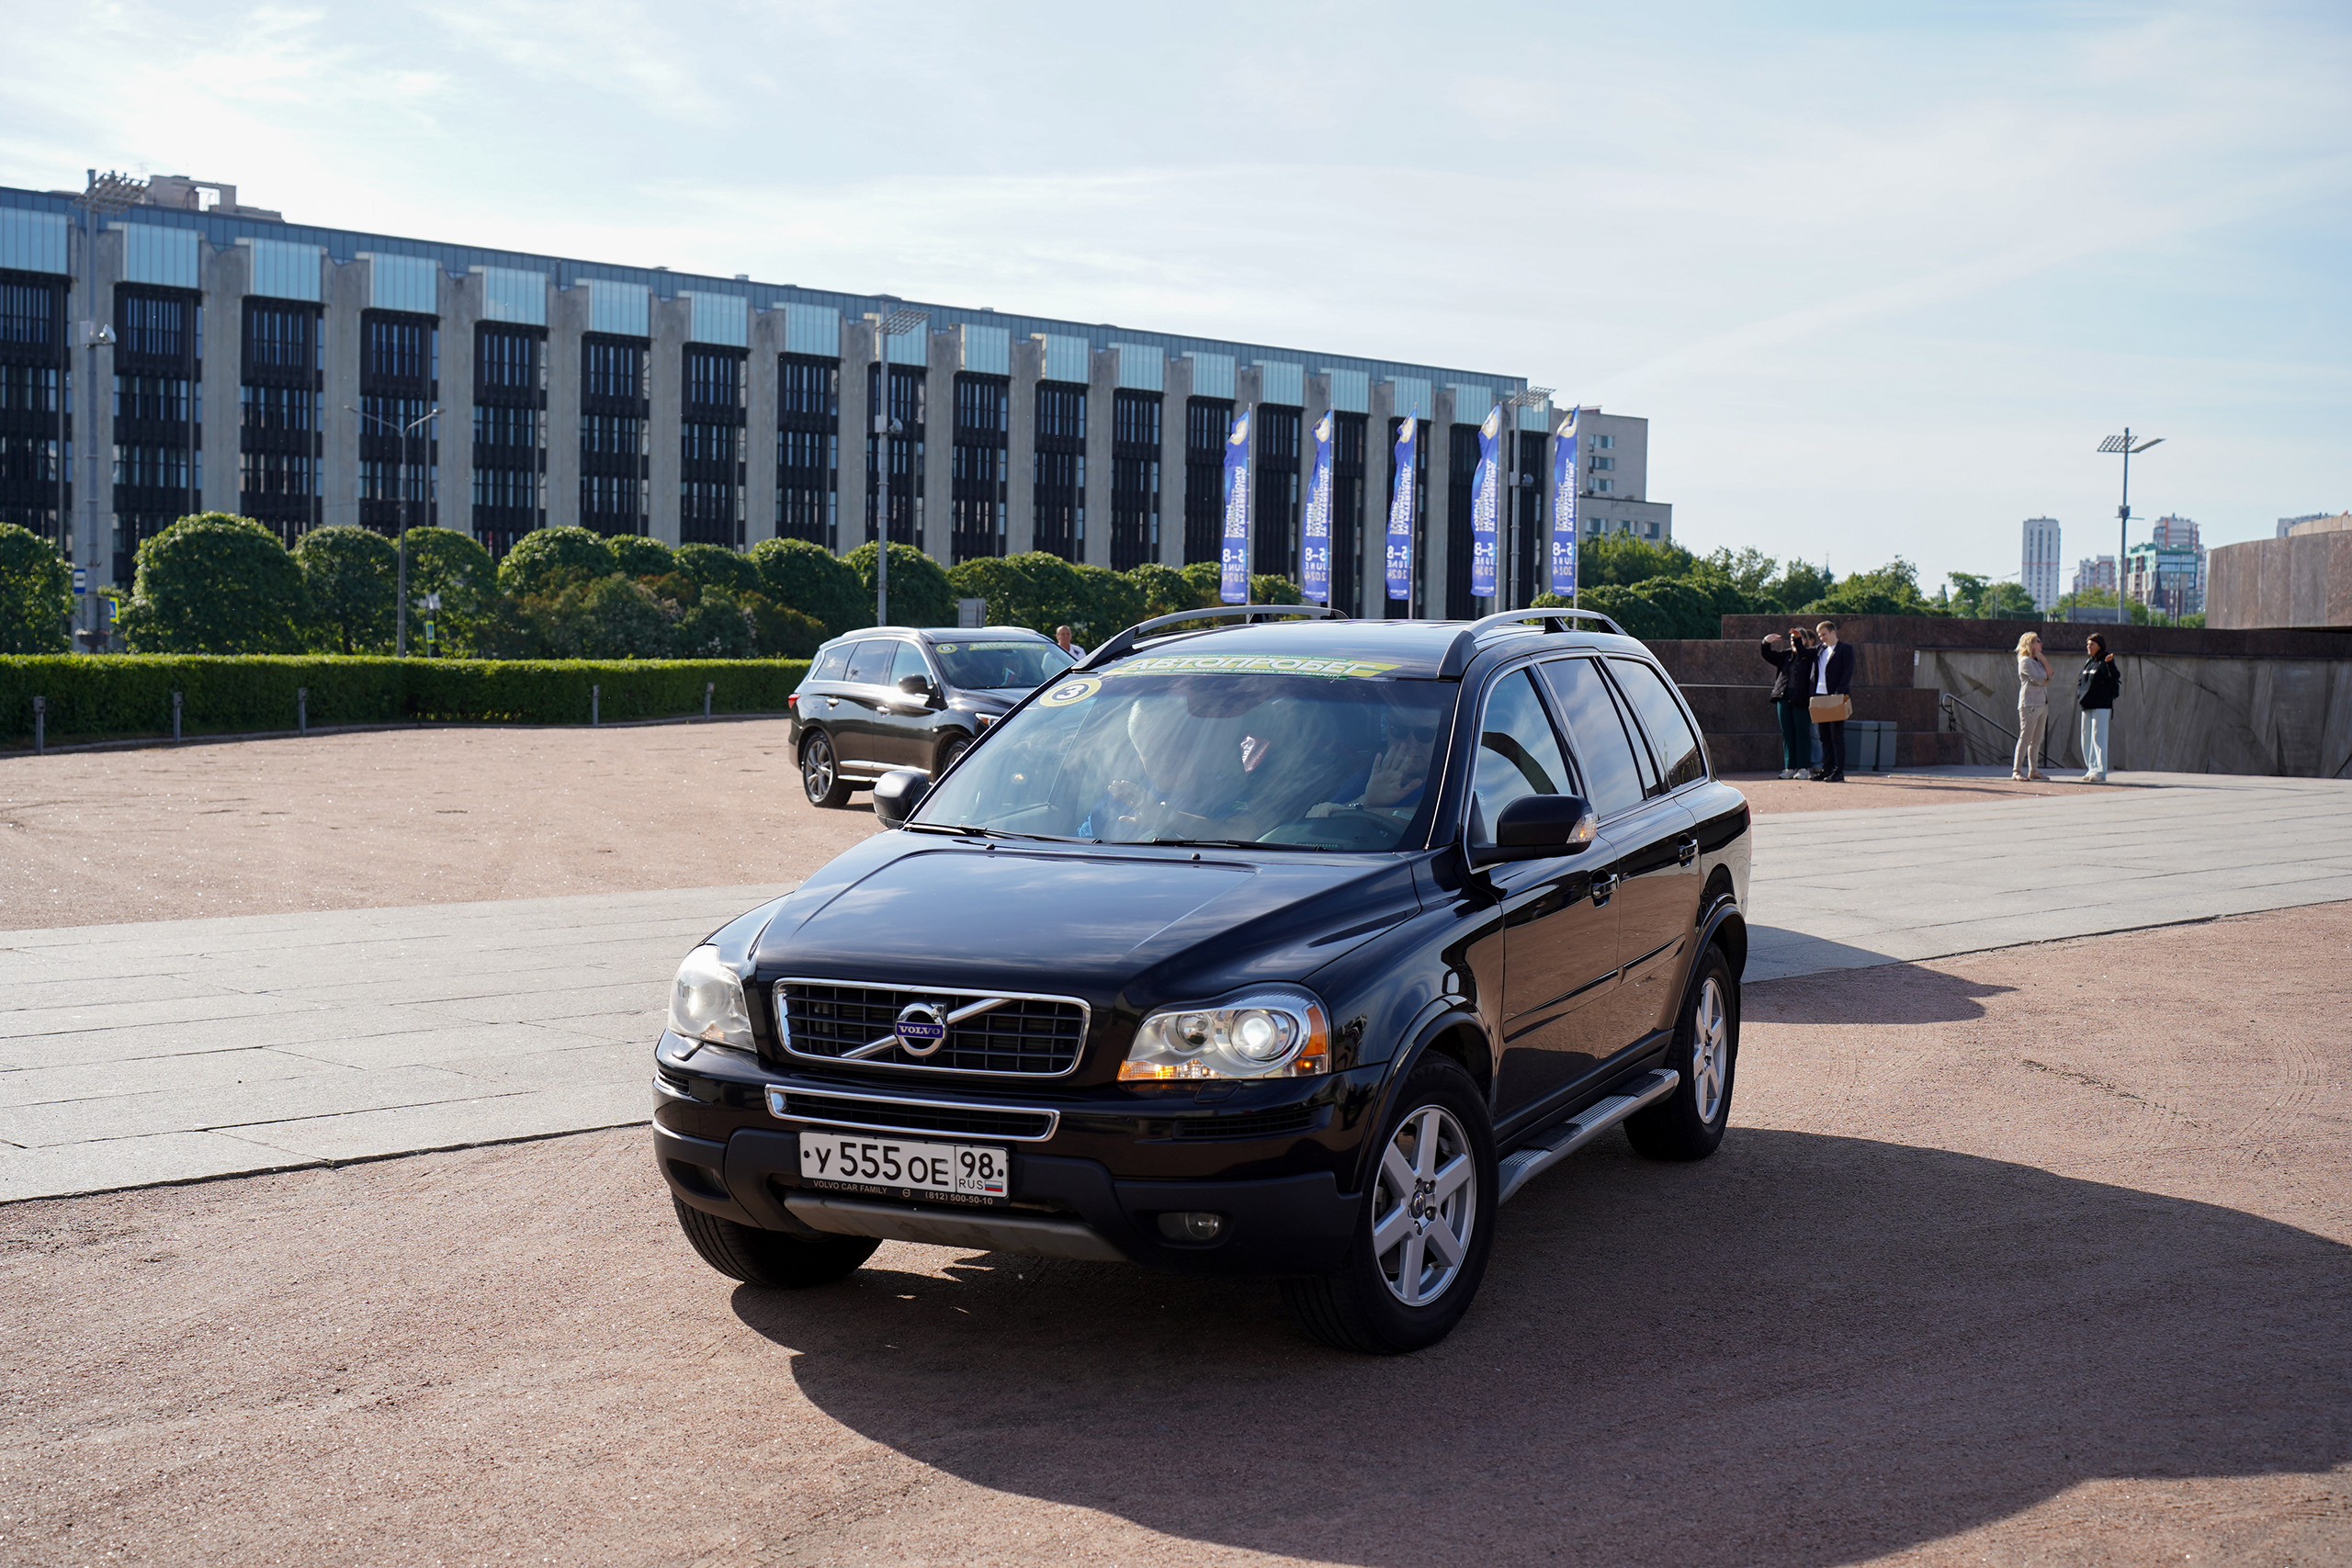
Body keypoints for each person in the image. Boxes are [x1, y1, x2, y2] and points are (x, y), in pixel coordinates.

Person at [1758, 625, 1815, 779]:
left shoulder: (1810, 656)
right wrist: (1766, 642)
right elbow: (1768, 655)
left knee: (1802, 733)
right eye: (1792, 639)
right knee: (1787, 732)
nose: (1794, 641)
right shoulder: (1785, 655)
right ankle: (1789, 767)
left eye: (1798, 638)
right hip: (1784, 697)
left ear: (1805, 640)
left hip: (1802, 698)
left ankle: (1803, 768)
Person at [1807, 619, 1855, 783]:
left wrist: (1838, 694)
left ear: (1833, 632)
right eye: (1820, 635)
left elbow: (1847, 672)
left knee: (1837, 736)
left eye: (1824, 634)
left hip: (1835, 696)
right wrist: (1799, 639)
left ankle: (1839, 771)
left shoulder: (1845, 649)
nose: (1821, 638)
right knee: (1824, 736)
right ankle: (1827, 769)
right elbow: (1803, 653)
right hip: (1820, 696)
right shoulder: (1820, 649)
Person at [2075, 631, 2120, 783]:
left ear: (2099, 646)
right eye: (2088, 644)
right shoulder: (2089, 662)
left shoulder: (2105, 661)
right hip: (2086, 704)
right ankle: (2091, 768)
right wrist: (2079, 695)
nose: (2088, 647)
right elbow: (2081, 682)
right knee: (2086, 737)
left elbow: (2115, 676)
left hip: (2101, 705)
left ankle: (2100, 771)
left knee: (2098, 737)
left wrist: (2110, 663)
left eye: (2092, 644)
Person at [2013, 631, 2051, 781]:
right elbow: (2038, 680)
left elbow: (2051, 674)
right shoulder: (2025, 661)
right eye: (2037, 640)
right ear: (2030, 644)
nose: (2040, 643)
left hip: (2042, 702)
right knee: (2025, 737)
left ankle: (2033, 770)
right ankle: (2017, 770)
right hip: (2030, 703)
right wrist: (2046, 680)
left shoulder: (2038, 661)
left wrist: (2043, 659)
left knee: (2037, 739)